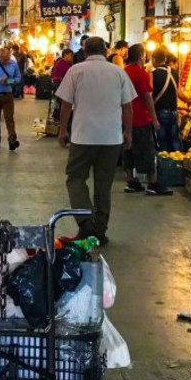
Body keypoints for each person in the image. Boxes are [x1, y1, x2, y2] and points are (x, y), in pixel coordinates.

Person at [56, 37, 136, 245]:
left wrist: (62, 130)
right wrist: (128, 132)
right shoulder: (119, 72)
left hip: (83, 136)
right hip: (111, 138)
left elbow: (66, 104)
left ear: (84, 50)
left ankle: (85, 223)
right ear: (106, 50)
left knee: (75, 177)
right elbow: (127, 107)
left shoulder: (76, 71)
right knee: (103, 183)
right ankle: (99, 229)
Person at [124, 44, 172, 196]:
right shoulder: (142, 74)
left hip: (124, 118)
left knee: (128, 150)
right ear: (141, 56)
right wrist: (155, 118)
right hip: (140, 119)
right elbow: (147, 97)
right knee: (147, 151)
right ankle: (152, 183)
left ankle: (131, 181)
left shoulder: (123, 73)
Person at [150, 48, 183, 154]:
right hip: (173, 111)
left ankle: (164, 163)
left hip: (160, 111)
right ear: (165, 59)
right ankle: (177, 161)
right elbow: (178, 92)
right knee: (174, 139)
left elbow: (150, 94)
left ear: (153, 59)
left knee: (162, 140)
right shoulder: (174, 73)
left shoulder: (153, 74)